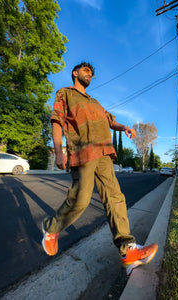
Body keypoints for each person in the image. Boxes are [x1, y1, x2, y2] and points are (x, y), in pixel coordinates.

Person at [42, 62, 158, 268]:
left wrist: (124, 127)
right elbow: (57, 120)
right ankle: (51, 229)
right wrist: (59, 151)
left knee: (115, 197)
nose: (90, 75)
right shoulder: (65, 93)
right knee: (81, 199)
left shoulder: (95, 102)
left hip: (104, 152)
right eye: (86, 71)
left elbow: (108, 120)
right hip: (83, 151)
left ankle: (127, 249)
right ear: (75, 73)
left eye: (92, 73)